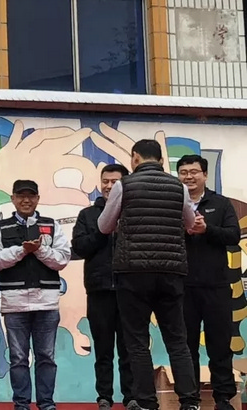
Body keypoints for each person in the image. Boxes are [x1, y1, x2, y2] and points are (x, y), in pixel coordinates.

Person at [98, 139, 201, 410]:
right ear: (161, 160)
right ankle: (190, 402)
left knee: (137, 341)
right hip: (171, 271)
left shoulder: (123, 185)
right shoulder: (179, 186)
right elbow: (190, 223)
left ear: (135, 158)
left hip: (132, 272)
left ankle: (146, 402)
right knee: (177, 340)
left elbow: (104, 225)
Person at [0, 180, 70, 410]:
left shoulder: (51, 225)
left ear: (38, 199)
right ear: (13, 198)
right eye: (21, 196)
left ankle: (46, 404)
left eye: (31, 196)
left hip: (47, 304)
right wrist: (22, 250)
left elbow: (62, 259)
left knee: (46, 357)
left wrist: (40, 249)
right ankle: (21, 404)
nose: (26, 200)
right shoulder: (0, 227)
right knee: (18, 358)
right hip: (14, 305)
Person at [177, 154, 240, 410]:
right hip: (182, 287)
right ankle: (189, 400)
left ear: (204, 175)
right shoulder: (173, 204)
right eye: (183, 172)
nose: (189, 177)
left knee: (220, 345)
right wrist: (183, 230)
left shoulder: (220, 203)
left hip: (216, 286)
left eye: (194, 172)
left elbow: (233, 236)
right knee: (185, 347)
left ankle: (223, 398)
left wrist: (207, 230)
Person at [71, 164, 133, 410]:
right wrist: (104, 228)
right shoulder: (88, 215)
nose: (108, 186)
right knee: (103, 349)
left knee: (130, 349)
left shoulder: (134, 211)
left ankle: (131, 397)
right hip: (99, 290)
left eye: (114, 182)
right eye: (105, 181)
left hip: (130, 291)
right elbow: (80, 247)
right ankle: (104, 397)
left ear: (124, 185)